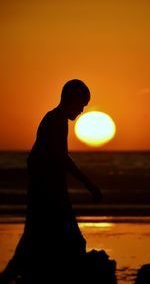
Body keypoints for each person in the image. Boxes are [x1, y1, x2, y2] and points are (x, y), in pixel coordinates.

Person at [0, 79, 102, 284]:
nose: (82, 110)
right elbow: (60, 157)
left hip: (48, 196)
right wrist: (88, 184)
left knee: (32, 248)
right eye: (81, 104)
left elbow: (39, 158)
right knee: (69, 243)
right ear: (70, 99)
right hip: (49, 199)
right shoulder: (55, 120)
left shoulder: (55, 120)